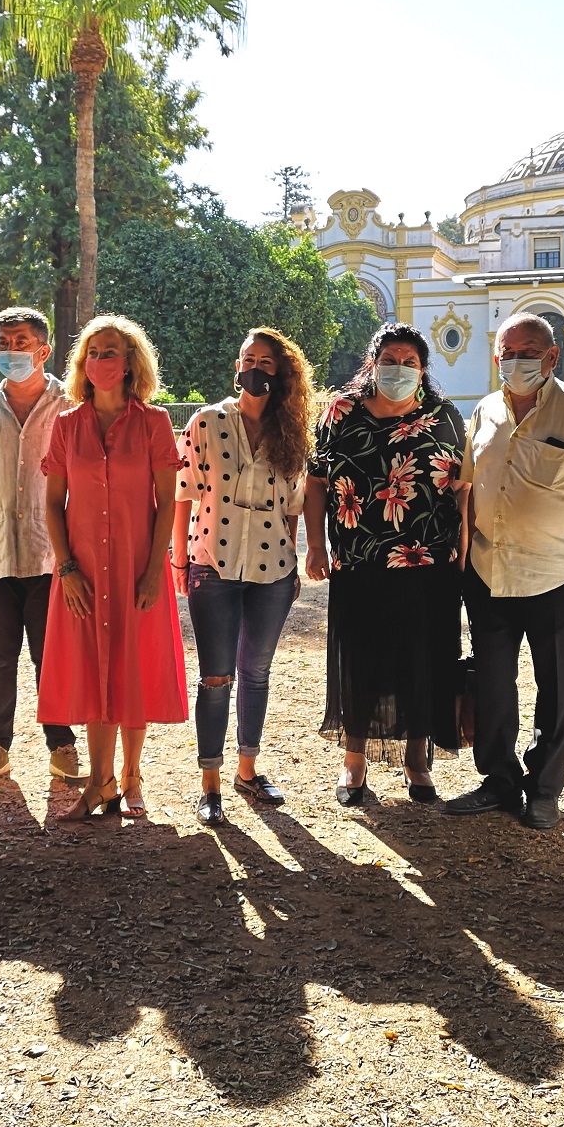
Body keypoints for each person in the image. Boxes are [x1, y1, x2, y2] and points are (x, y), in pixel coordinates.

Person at [444, 312, 564, 829]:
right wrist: (459, 565)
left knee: (557, 689)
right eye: (507, 351)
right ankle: (498, 781)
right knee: (494, 686)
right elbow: (467, 489)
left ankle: (544, 789)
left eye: (529, 351)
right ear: (495, 355)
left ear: (551, 357)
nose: (516, 360)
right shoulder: (483, 411)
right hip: (489, 573)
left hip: (560, 576)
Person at [304, 322, 466, 806]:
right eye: (390, 360)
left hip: (430, 563)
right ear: (372, 364)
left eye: (409, 362)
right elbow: (315, 483)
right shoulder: (339, 413)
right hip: (360, 560)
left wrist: (466, 548)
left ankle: (418, 762)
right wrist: (314, 545)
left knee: (424, 660)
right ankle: (353, 764)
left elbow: (463, 490)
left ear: (423, 370)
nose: (399, 369)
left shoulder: (445, 417)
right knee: (361, 661)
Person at [37, 314, 187, 820]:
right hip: (82, 572)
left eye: (110, 352)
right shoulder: (65, 426)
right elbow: (52, 502)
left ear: (129, 364)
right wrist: (67, 568)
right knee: (94, 670)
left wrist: (153, 569)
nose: (100, 361)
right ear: (83, 364)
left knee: (131, 670)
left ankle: (131, 776)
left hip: (135, 569)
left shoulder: (154, 423)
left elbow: (167, 502)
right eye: (92, 353)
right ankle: (99, 782)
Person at [173, 328, 314, 826]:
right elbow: (184, 493)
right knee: (216, 677)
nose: (255, 368)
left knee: (256, 672)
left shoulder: (291, 432)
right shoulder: (207, 421)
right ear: (237, 366)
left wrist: (295, 562)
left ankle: (247, 770)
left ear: (282, 373)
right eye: (247, 359)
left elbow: (294, 505)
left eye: (266, 362)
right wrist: (178, 560)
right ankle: (209, 781)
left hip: (273, 566)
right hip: (211, 562)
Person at [0, 307, 84, 789]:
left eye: (20, 341)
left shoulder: (71, 405)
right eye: (3, 341)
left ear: (43, 350)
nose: (10, 350)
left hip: (51, 553)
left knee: (50, 656)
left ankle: (61, 746)